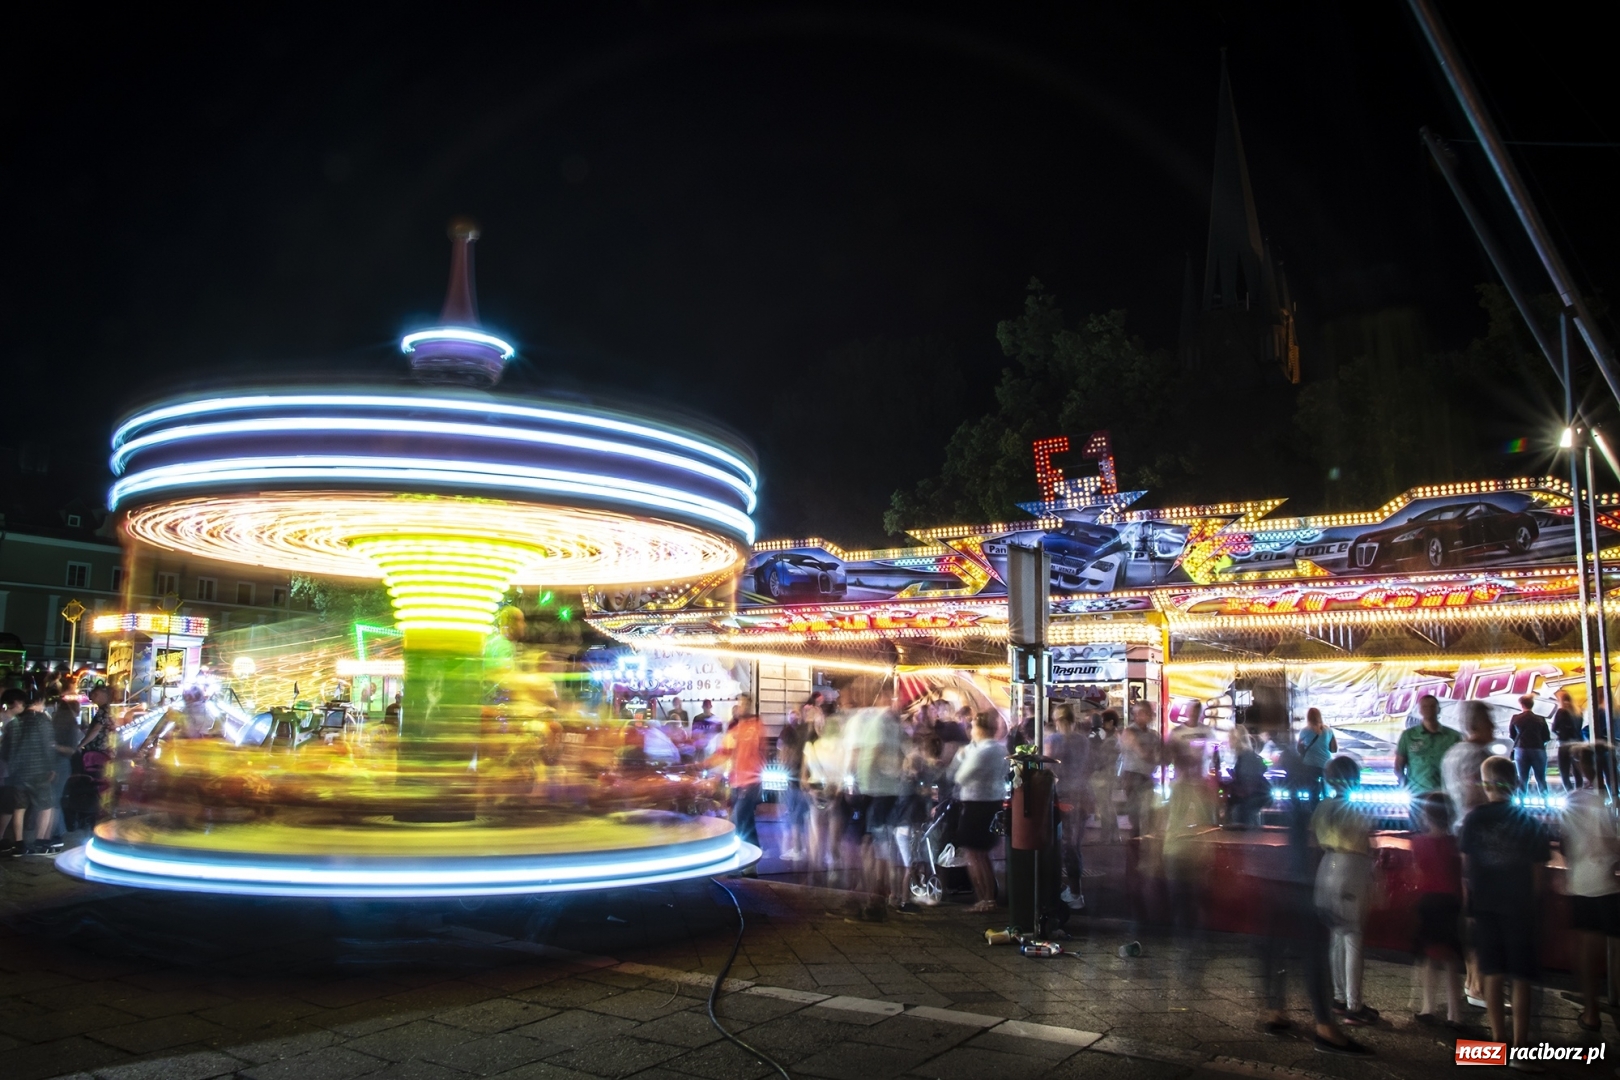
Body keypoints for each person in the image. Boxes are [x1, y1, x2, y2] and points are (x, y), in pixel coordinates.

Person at [1459, 755, 1551, 1053]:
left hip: (1486, 908)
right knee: (1522, 978)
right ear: (1517, 784)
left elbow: (1467, 868)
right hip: (1520, 908)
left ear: (1485, 785)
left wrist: (1469, 905)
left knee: (1493, 976)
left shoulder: (1473, 819)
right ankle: (1521, 1045)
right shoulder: (1530, 822)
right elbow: (1539, 874)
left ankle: (1498, 1042)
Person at [1313, 755, 1378, 1027]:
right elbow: (1369, 838)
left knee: (1336, 937)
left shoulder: (1323, 806)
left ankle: (1339, 998)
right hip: (1353, 868)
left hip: (1327, 866)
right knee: (1353, 937)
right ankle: (1355, 1005)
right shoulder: (1357, 808)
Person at [1561, 744, 1618, 1034]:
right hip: (1613, 881)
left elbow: (1565, 843)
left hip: (1584, 881)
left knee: (1587, 950)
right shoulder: (1612, 799)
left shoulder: (1574, 799)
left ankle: (1592, 1012)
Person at [1409, 791, 1465, 1029]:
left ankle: (1428, 1007)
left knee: (1428, 958)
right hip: (1451, 903)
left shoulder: (1418, 842)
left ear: (1425, 815)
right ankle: (1455, 1014)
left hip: (1428, 902)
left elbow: (1418, 872)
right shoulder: (1456, 843)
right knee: (1451, 958)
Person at [947, 712, 1006, 913]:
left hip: (976, 805)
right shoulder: (999, 749)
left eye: (972, 727)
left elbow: (960, 776)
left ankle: (985, 899)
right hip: (991, 803)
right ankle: (988, 898)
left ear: (979, 729)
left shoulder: (983, 752)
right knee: (981, 855)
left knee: (974, 855)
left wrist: (961, 757)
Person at [3, 690, 62, 855]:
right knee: (46, 806)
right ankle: (41, 842)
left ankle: (19, 844)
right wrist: (52, 767)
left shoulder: (15, 721)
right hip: (39, 771)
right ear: (39, 701)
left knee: (19, 808)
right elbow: (48, 746)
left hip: (17, 772)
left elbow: (6, 750)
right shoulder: (42, 720)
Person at [716, 694, 764, 876]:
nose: (741, 706)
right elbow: (723, 753)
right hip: (737, 783)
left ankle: (733, 864)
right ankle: (751, 866)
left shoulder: (756, 727)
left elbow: (762, 753)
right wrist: (701, 765)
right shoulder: (735, 730)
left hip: (750, 783)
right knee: (747, 824)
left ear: (750, 706)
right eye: (739, 703)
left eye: (744, 703)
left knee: (735, 822)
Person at [1395, 694, 1461, 805]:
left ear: (1438, 709)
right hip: (1417, 795)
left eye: (1432, 706)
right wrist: (1405, 786)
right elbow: (1398, 766)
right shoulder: (1408, 736)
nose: (1428, 709)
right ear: (1420, 710)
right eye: (1424, 707)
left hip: (1446, 795)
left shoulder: (1453, 736)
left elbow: (1460, 766)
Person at [801, 707, 844, 870]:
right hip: (824, 792)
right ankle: (820, 871)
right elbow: (804, 777)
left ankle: (819, 872)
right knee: (821, 837)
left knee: (823, 838)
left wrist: (812, 791)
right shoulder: (811, 746)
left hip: (823, 792)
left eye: (823, 722)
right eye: (818, 722)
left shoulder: (815, 747)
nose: (820, 726)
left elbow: (803, 777)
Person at [1442, 702, 1496, 832]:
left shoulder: (1451, 753)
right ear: (1476, 724)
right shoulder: (1479, 755)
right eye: (1488, 720)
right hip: (1479, 830)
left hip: (1458, 827)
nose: (1493, 726)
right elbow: (1475, 795)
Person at [1119, 701, 1159, 839]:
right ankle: (1137, 844)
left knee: (1147, 813)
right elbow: (1146, 755)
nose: (1139, 716)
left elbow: (1157, 756)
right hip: (1133, 775)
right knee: (1136, 814)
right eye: (1137, 713)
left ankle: (1144, 842)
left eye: (1143, 713)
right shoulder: (1129, 732)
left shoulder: (1152, 734)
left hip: (1146, 776)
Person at [775, 703, 809, 862]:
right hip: (802, 776)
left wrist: (783, 767)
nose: (794, 716)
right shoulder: (804, 731)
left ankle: (797, 849)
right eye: (792, 713)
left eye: (796, 713)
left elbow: (783, 752)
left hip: (794, 777)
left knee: (794, 814)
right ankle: (802, 848)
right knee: (801, 814)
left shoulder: (787, 732)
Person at [1225, 722, 1269, 828]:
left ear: (1237, 740)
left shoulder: (1244, 757)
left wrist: (1231, 783)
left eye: (1230, 738)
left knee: (1243, 834)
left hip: (1246, 804)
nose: (1228, 742)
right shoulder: (1247, 755)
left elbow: (1246, 784)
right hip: (1251, 803)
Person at [1507, 696, 1550, 797]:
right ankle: (1546, 802)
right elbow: (1546, 737)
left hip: (1521, 750)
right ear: (1532, 704)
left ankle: (1521, 805)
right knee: (1541, 778)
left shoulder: (1515, 718)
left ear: (1521, 705)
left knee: (1522, 779)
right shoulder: (1540, 719)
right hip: (1538, 749)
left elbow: (1512, 735)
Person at [1089, 709, 1121, 844]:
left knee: (1104, 806)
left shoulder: (1112, 740)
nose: (1102, 725)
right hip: (1107, 775)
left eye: (1104, 722)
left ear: (1111, 723)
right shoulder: (1110, 738)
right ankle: (1114, 835)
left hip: (1104, 775)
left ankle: (1106, 836)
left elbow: (1103, 758)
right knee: (1108, 805)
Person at [1296, 708, 1337, 805]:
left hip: (1310, 765)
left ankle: (1313, 812)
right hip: (1326, 765)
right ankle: (1327, 808)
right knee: (1327, 791)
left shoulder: (1304, 731)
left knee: (1312, 792)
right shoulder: (1329, 730)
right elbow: (1334, 749)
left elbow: (1299, 749)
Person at [1551, 689, 1582, 791]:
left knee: (1564, 771)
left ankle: (1569, 793)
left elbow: (1554, 728)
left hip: (1564, 744)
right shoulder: (1578, 711)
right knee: (1577, 771)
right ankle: (1579, 791)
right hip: (1577, 743)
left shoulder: (1561, 711)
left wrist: (1560, 733)